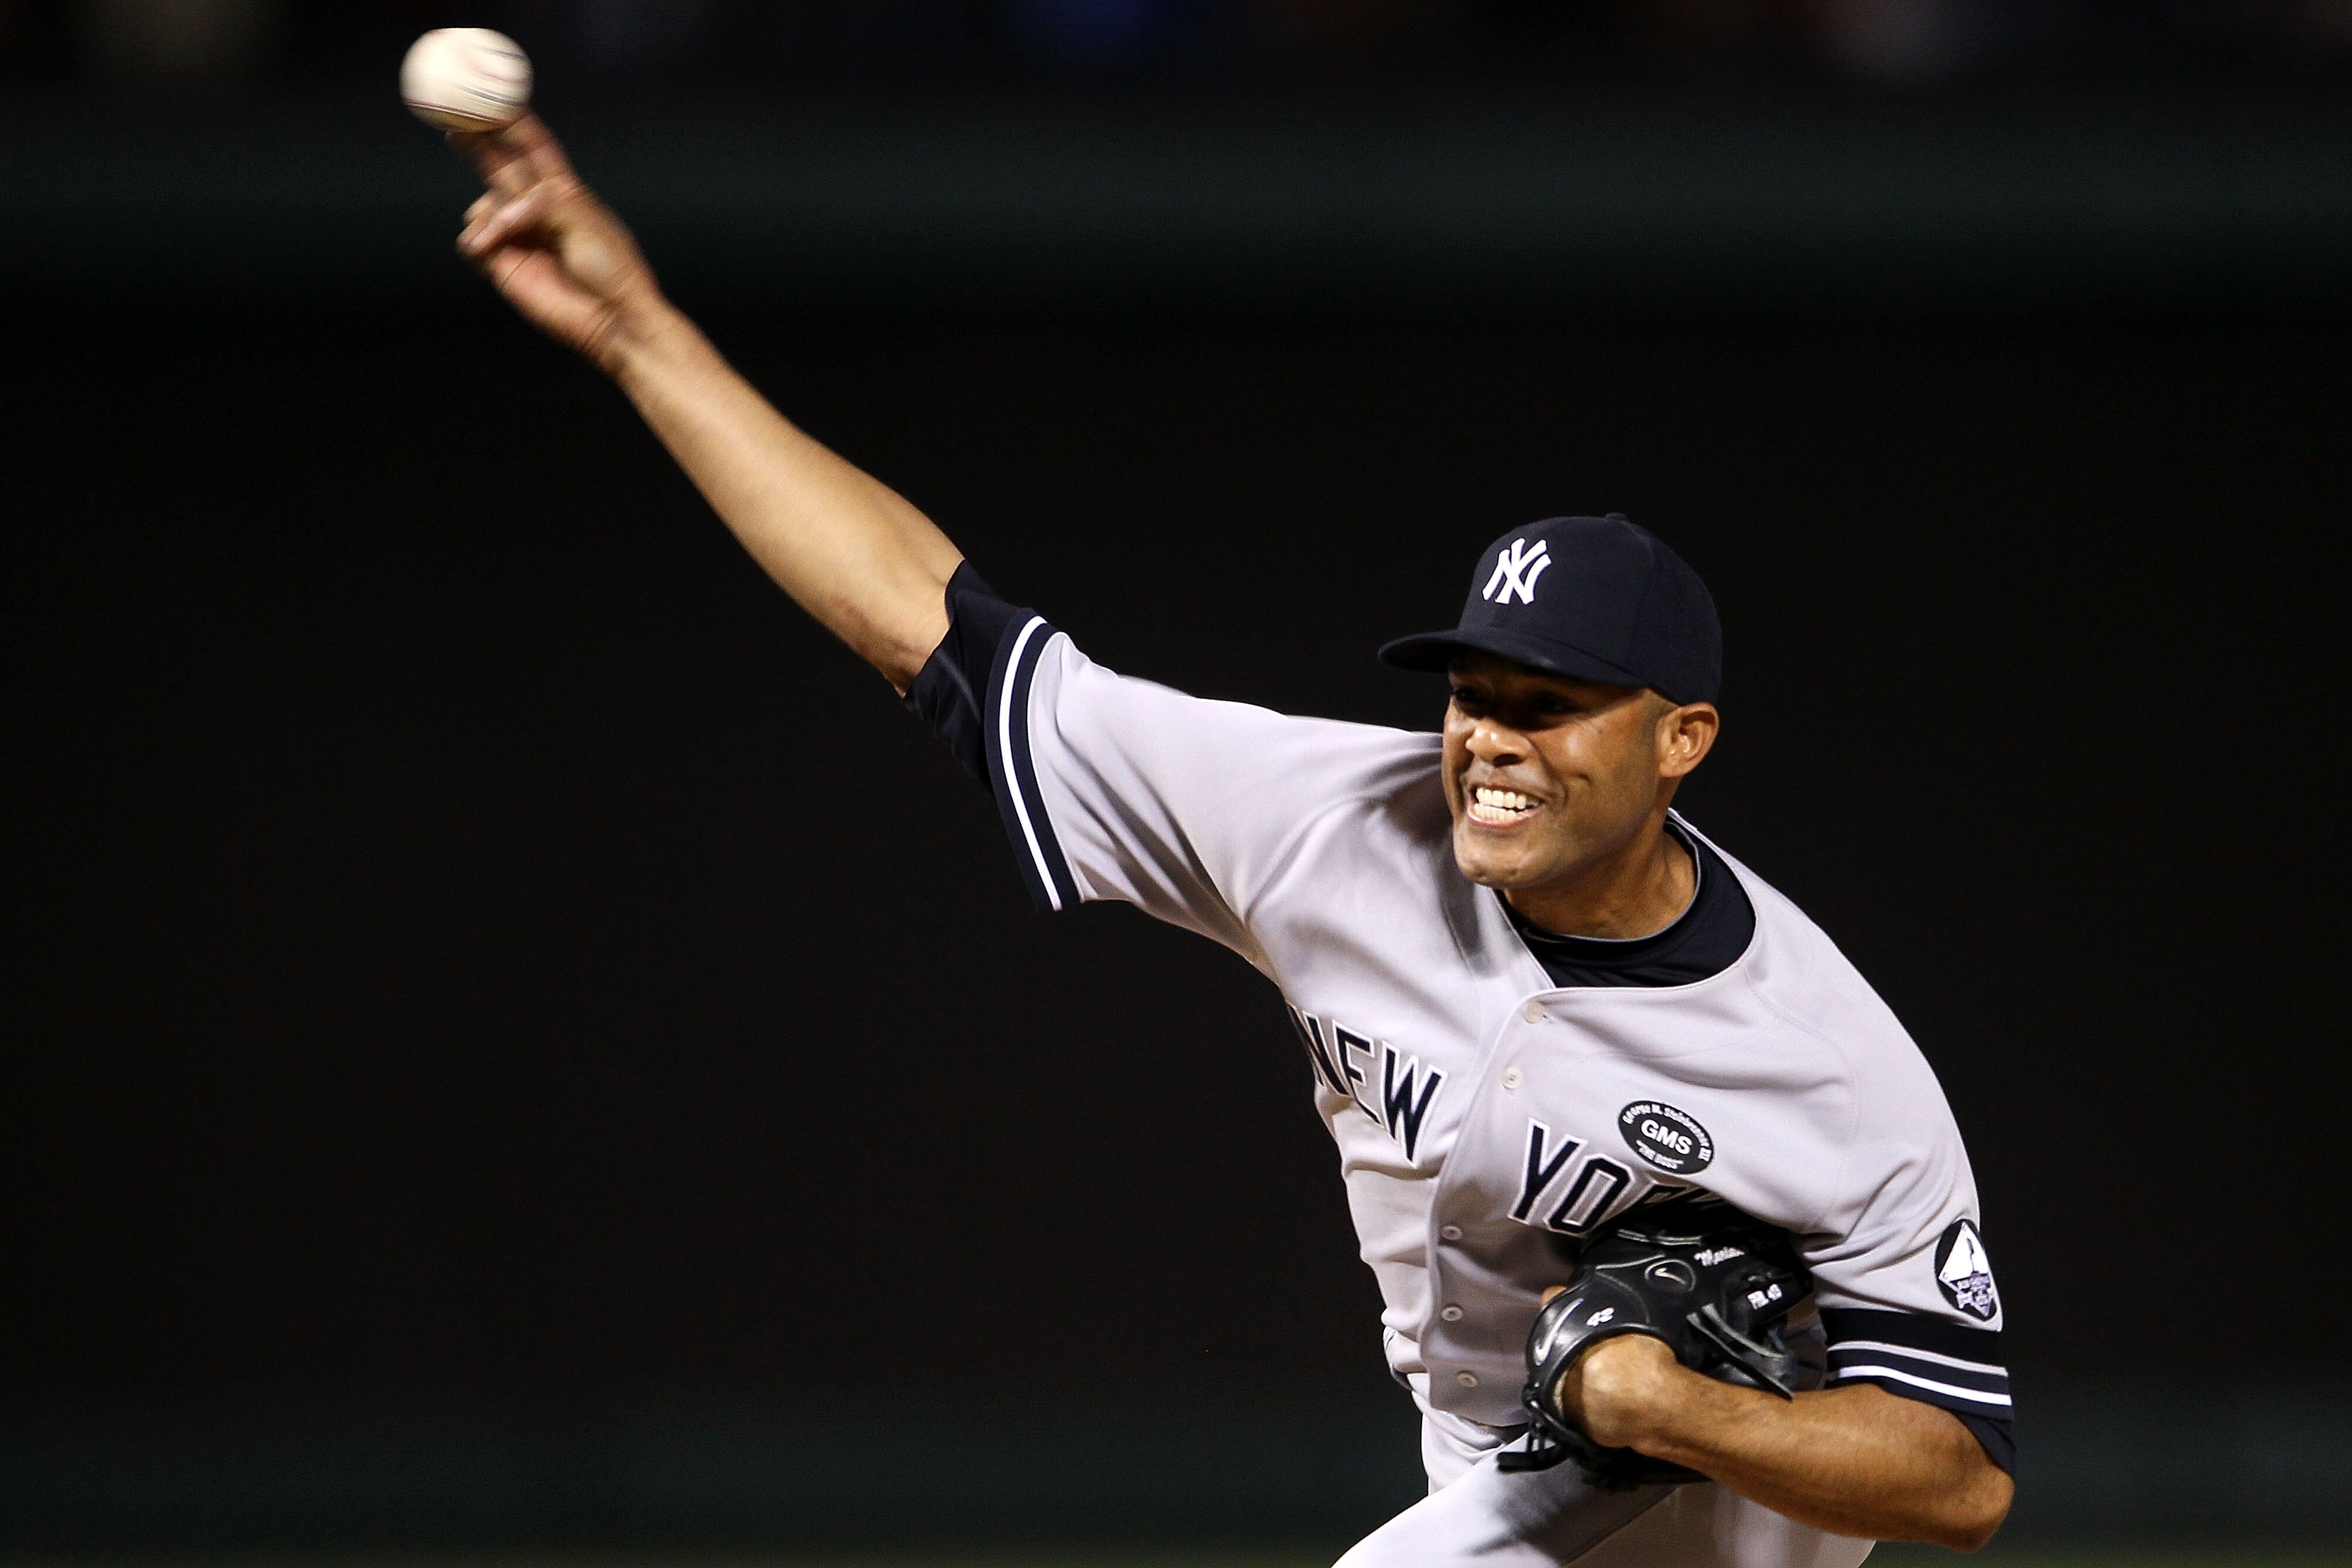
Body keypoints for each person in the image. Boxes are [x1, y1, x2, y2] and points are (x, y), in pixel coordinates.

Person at [446, 115, 2016, 1566]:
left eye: (1551, 707)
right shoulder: (1330, 822)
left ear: (1685, 743)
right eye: (1472, 692)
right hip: (1503, 1490)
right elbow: (935, 630)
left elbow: (1961, 1480)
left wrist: (1673, 1409)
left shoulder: (1826, 1062)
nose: (1487, 741)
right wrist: (638, 331)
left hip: (1729, 1520)